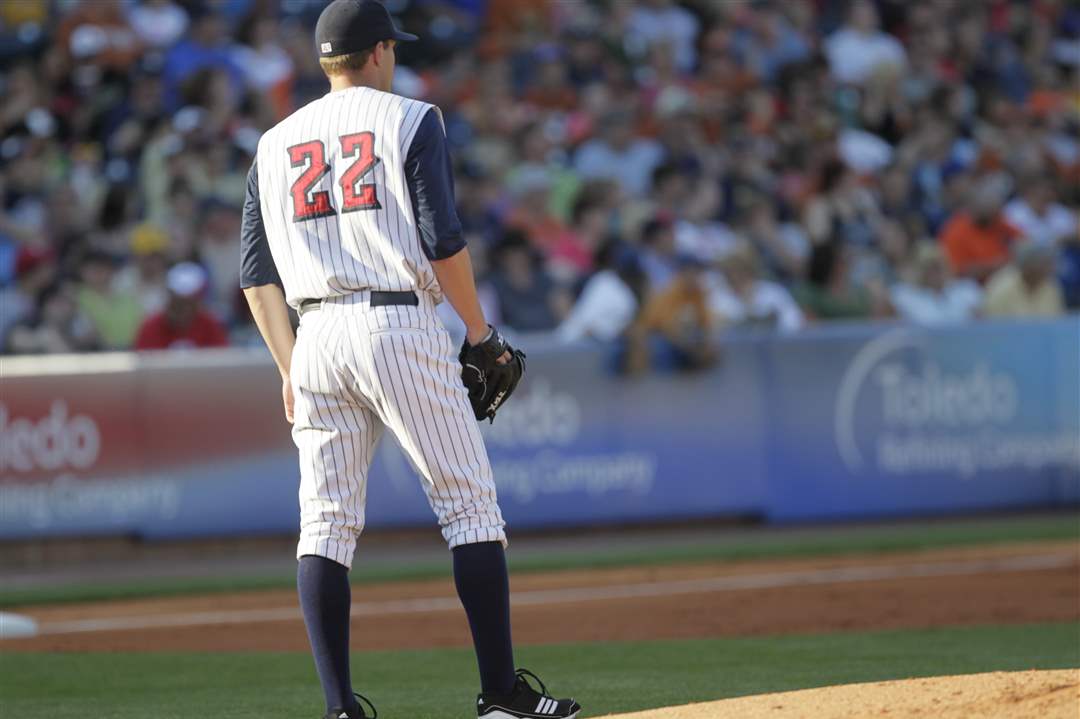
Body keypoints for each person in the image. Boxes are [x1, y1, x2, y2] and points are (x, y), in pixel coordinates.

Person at [237, 3, 580, 719]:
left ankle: (339, 709)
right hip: (395, 317)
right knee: (469, 507)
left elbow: (256, 274)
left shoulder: (273, 143)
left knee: (325, 525)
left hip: (314, 335)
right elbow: (441, 239)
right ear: (380, 51)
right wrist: (480, 332)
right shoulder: (409, 118)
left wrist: (286, 367)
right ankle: (500, 697)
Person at [133, 262, 228, 350]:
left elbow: (224, 358)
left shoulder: (210, 325)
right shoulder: (151, 326)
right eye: (178, 304)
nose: (183, 310)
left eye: (188, 303)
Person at [890, 243, 982, 325]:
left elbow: (981, 322)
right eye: (928, 267)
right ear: (919, 270)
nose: (934, 273)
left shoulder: (967, 289)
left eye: (937, 266)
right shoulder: (904, 296)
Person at [983, 242, 1065, 318]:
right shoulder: (1002, 286)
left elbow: (1056, 321)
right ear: (1029, 265)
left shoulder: (1051, 286)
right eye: (1046, 264)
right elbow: (993, 325)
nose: (1052, 269)